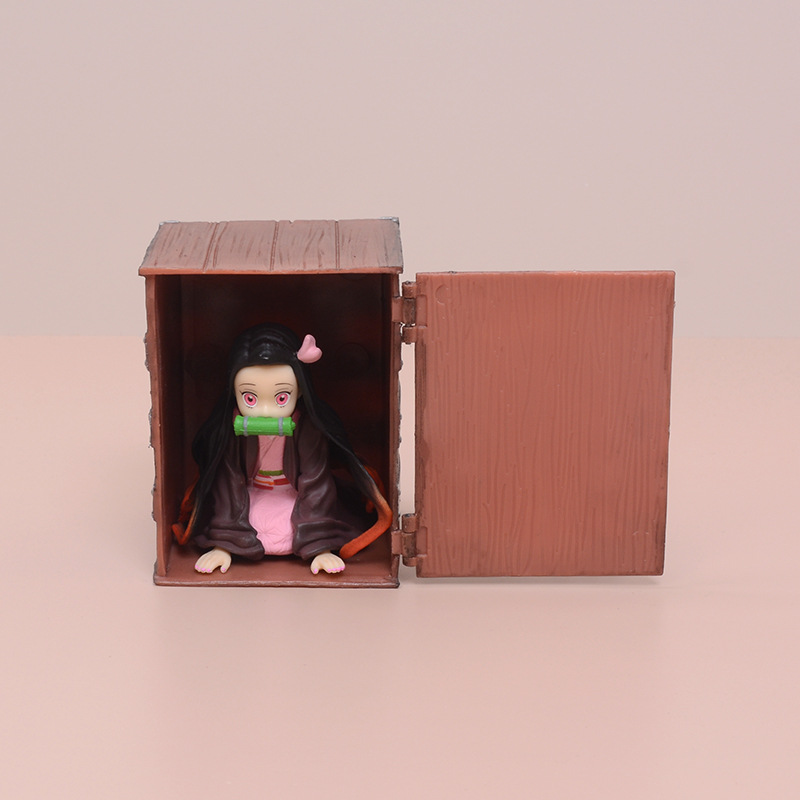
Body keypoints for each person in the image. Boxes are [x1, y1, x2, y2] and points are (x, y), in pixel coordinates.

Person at [173, 323, 390, 575]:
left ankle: (314, 544)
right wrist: (223, 545)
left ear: (300, 391)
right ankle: (229, 543)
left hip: (294, 495)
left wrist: (320, 548)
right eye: (250, 398)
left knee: (291, 531)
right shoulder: (231, 427)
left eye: (281, 398)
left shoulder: (308, 427)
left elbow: (316, 481)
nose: (265, 411)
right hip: (248, 496)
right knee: (251, 529)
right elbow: (228, 481)